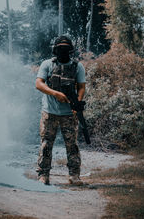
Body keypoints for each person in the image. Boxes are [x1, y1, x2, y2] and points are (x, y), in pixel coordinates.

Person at [35, 35, 86, 185]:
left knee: (72, 146)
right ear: (55, 50)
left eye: (66, 49)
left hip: (69, 114)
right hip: (49, 112)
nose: (63, 52)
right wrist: (55, 93)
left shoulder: (78, 66)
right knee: (46, 144)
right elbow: (38, 83)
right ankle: (43, 175)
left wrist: (78, 102)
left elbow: (81, 87)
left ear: (70, 50)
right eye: (60, 49)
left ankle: (74, 176)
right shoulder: (47, 64)